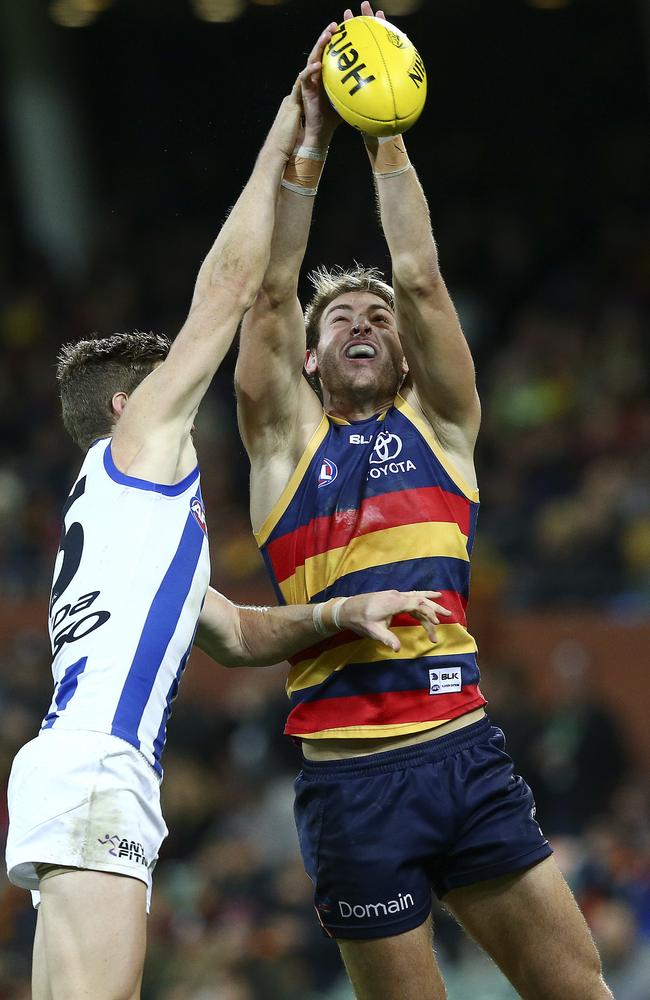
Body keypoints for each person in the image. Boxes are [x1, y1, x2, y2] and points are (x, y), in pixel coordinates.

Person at [4, 68, 446, 1000]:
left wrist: (343, 610)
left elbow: (236, 633)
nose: (189, 389)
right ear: (128, 405)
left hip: (79, 765)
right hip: (96, 768)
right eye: (169, 381)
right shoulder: (137, 448)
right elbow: (231, 288)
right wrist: (289, 130)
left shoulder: (127, 526)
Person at [234, 5, 613, 998]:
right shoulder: (281, 444)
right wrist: (311, 144)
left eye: (376, 318)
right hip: (351, 781)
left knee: (579, 989)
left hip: (462, 754)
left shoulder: (442, 428)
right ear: (311, 358)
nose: (362, 319)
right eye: (339, 319)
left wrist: (384, 134)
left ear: (400, 353)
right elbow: (268, 299)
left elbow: (421, 277)